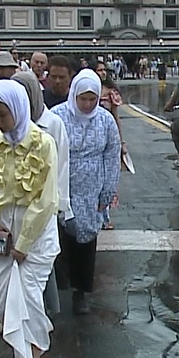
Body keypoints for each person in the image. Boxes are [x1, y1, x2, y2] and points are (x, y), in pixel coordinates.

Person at [0, 81, 60, 358]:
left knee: (25, 303)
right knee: (2, 302)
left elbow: (47, 200)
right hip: (2, 233)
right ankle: (25, 349)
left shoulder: (44, 143)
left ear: (20, 109)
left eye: (3, 114)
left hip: (34, 237)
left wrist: (23, 243)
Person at [53, 70, 121, 315]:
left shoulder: (105, 120)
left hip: (92, 186)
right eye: (83, 98)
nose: (88, 104)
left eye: (93, 99)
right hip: (64, 183)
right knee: (62, 237)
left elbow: (112, 156)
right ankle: (59, 287)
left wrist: (108, 191)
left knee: (86, 240)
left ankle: (81, 291)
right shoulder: (57, 117)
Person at [13, 71, 70, 316]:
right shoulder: (8, 123)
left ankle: (48, 310)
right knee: (19, 260)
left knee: (43, 258)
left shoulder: (52, 123)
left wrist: (59, 204)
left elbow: (62, 164)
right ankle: (19, 311)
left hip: (45, 202)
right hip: (17, 203)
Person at [95, 62, 126, 230]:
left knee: (108, 180)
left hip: (108, 141)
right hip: (91, 142)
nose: (102, 73)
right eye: (99, 70)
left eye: (104, 70)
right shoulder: (84, 91)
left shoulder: (111, 93)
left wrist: (122, 142)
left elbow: (116, 118)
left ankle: (105, 217)